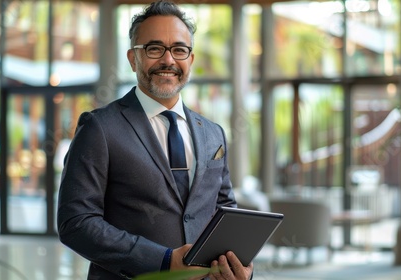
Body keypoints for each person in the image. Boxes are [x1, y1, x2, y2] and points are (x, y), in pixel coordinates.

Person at [56, 1, 253, 279]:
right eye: (154, 48)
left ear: (190, 59)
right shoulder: (99, 127)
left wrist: (238, 264)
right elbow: (75, 223)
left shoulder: (213, 133)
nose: (168, 60)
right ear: (133, 58)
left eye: (179, 50)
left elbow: (224, 211)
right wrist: (162, 260)